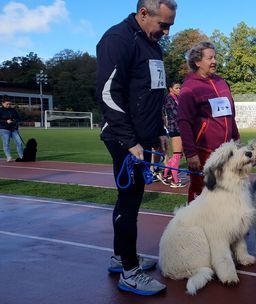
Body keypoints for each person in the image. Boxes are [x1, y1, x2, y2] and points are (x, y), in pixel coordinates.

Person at [95, 0, 176, 296]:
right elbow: (107, 93)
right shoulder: (118, 39)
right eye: (163, 24)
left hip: (143, 137)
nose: (166, 32)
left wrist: (159, 131)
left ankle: (121, 257)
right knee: (129, 201)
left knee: (132, 199)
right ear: (143, 13)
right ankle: (129, 272)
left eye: (170, 25)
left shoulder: (153, 43)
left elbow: (153, 91)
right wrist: (129, 140)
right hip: (123, 138)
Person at [177, 41, 240, 202]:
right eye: (210, 58)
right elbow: (184, 122)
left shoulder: (221, 82)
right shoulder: (190, 87)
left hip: (226, 151)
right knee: (202, 195)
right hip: (203, 152)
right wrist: (191, 153)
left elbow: (230, 114)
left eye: (215, 57)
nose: (214, 61)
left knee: (226, 193)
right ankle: (192, 226)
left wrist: (236, 137)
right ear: (197, 62)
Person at [157, 80, 188, 188]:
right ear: (170, 89)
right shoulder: (169, 99)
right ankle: (175, 181)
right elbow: (176, 114)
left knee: (177, 155)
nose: (179, 90)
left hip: (179, 128)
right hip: (175, 129)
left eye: (180, 88)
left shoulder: (177, 98)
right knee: (177, 155)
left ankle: (165, 175)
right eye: (177, 88)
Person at [0, 97, 24, 162]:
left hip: (14, 129)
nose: (9, 105)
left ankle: (22, 156)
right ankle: (8, 156)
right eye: (7, 104)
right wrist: (6, 121)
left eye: (10, 104)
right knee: (6, 143)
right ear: (2, 103)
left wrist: (14, 121)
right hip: (4, 129)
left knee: (19, 142)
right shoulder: (0, 110)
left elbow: (18, 118)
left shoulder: (13, 110)